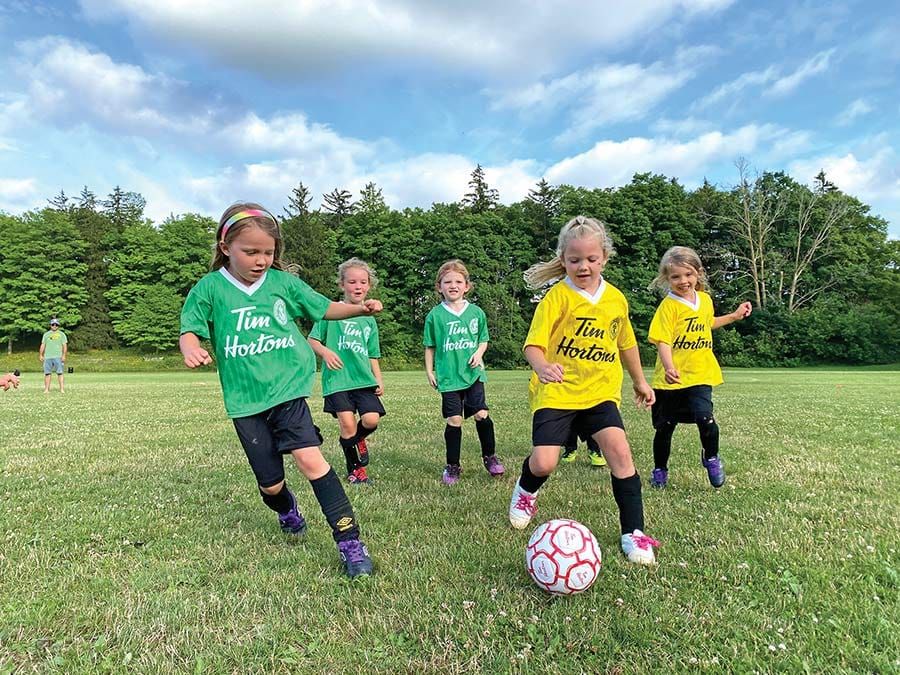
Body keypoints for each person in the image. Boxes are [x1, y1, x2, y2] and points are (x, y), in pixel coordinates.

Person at [179, 202, 381, 578]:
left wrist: (360, 310)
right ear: (226, 248)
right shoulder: (210, 288)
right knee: (271, 486)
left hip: (288, 388)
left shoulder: (282, 283)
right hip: (244, 400)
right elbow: (190, 327)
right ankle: (287, 508)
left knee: (310, 460)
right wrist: (191, 345)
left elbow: (322, 308)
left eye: (268, 252)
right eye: (251, 252)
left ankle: (350, 542)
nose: (261, 260)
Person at [508, 216, 660, 565]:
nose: (583, 266)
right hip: (557, 392)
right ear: (563, 259)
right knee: (545, 462)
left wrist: (639, 380)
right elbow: (533, 346)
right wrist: (542, 366)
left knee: (620, 453)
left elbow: (627, 344)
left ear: (604, 257)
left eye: (591, 259)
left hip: (599, 392)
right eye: (575, 260)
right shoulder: (557, 297)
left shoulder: (616, 300)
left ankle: (633, 533)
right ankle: (525, 489)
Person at [647, 246, 752, 489]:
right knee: (664, 428)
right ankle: (660, 470)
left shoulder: (704, 300)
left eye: (688, 275)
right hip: (671, 379)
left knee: (706, 418)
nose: (683, 281)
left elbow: (709, 322)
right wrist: (669, 366)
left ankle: (711, 457)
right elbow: (662, 340)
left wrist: (734, 316)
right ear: (667, 278)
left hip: (701, 373)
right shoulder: (668, 307)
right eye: (675, 277)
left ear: (698, 273)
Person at [423, 259, 505, 485]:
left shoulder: (476, 313)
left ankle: (490, 457)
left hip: (473, 375)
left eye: (458, 281)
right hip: (449, 377)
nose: (453, 285)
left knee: (481, 414)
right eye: (447, 281)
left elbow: (483, 340)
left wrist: (479, 354)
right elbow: (430, 346)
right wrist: (429, 371)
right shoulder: (435, 316)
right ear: (439, 286)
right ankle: (453, 466)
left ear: (466, 286)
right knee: (455, 420)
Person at [308, 258, 385, 485]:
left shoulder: (369, 320)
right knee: (348, 425)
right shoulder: (331, 312)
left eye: (363, 282)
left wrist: (378, 379)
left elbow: (373, 354)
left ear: (369, 286)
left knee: (370, 421)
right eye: (352, 282)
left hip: (363, 380)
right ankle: (356, 471)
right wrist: (325, 353)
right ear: (342, 285)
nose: (357, 286)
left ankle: (357, 440)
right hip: (338, 380)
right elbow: (312, 340)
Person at [40, 318, 67, 393]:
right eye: (53, 324)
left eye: (56, 325)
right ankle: (46, 389)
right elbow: (43, 345)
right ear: (50, 325)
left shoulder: (62, 334)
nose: (54, 326)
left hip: (58, 356)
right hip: (48, 357)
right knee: (47, 373)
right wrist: (41, 355)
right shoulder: (46, 334)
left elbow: (64, 345)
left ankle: (61, 389)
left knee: (60, 373)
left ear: (58, 326)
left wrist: (64, 355)